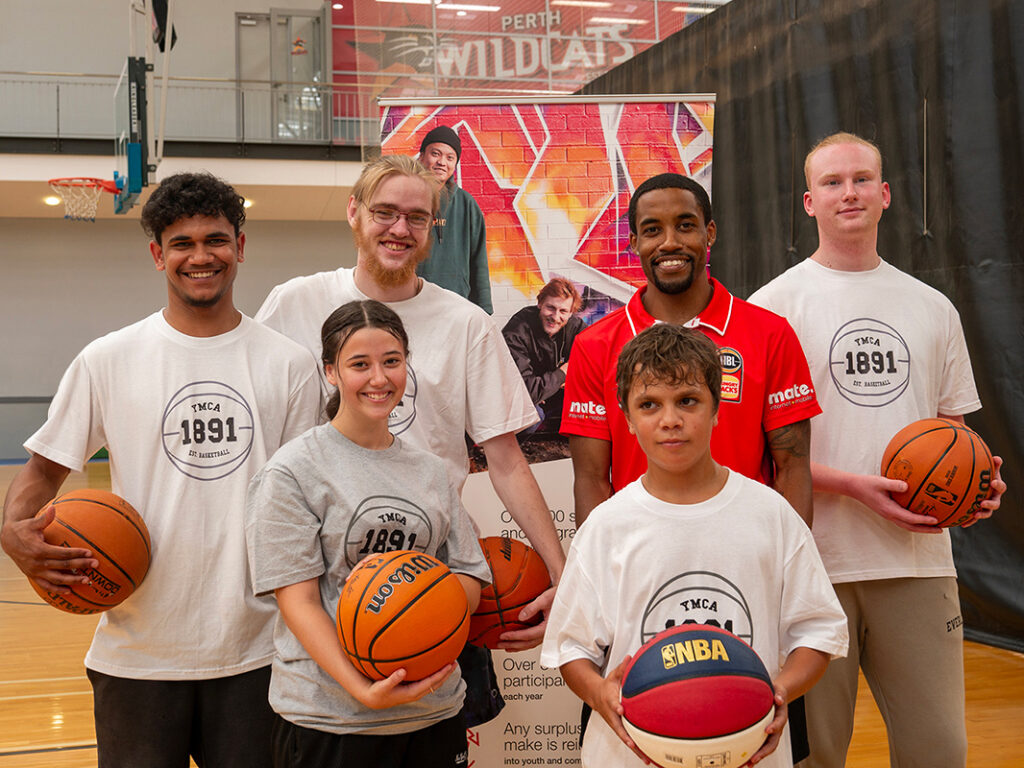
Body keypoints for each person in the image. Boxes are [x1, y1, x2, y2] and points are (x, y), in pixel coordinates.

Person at [0, 172, 322, 767]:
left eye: (216, 240)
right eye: (183, 243)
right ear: (158, 255)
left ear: (241, 247)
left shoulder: (290, 365)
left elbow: (308, 502)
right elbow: (43, 472)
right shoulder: (108, 359)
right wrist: (13, 533)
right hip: (138, 653)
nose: (201, 256)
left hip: (260, 654)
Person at [255, 154, 565, 726]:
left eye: (417, 218)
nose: (400, 229)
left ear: (431, 229)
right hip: (327, 589)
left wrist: (561, 573)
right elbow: (261, 442)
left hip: (435, 582)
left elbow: (507, 460)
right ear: (354, 212)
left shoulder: (465, 323)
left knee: (436, 733)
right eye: (385, 213)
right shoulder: (293, 303)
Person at [748, 132, 1006, 768]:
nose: (849, 193)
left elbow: (952, 435)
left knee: (938, 752)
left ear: (886, 194)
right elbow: (754, 448)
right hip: (811, 564)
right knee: (814, 758)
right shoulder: (772, 308)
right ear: (808, 202)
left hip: (917, 561)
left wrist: (977, 483)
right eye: (832, 183)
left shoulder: (932, 306)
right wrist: (853, 484)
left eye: (862, 179)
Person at [560, 172, 821, 759]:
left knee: (754, 745)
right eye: (652, 230)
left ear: (710, 233)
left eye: (684, 225)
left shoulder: (769, 333)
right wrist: (594, 580)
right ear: (635, 242)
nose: (669, 241)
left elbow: (793, 462)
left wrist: (787, 575)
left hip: (745, 583)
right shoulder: (596, 344)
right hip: (641, 585)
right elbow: (590, 478)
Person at [541, 324, 848, 768]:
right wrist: (600, 693)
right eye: (649, 405)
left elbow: (818, 631)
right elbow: (571, 649)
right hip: (631, 753)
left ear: (717, 409)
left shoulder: (771, 514)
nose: (670, 420)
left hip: (747, 747)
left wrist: (780, 691)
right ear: (626, 418)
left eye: (687, 400)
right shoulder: (607, 525)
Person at [245, 299, 490, 768]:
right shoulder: (293, 472)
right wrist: (362, 688)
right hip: (331, 718)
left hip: (433, 711)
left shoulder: (431, 471)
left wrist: (423, 602)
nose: (379, 379)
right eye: (360, 364)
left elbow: (469, 579)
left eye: (392, 361)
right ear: (331, 372)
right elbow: (297, 603)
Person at [415, 124, 492, 314]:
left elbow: (479, 261)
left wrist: (484, 310)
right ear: (421, 156)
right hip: (413, 304)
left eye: (450, 158)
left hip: (456, 308)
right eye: (435, 154)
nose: (442, 162)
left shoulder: (467, 205)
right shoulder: (406, 198)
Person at [501, 277, 584, 436]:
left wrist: (554, 384)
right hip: (516, 399)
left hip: (548, 393)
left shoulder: (576, 327)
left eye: (563, 311)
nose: (555, 316)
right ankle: (504, 451)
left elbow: (596, 364)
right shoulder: (518, 330)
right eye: (550, 308)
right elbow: (528, 391)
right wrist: (563, 373)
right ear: (540, 304)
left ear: (571, 313)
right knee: (533, 417)